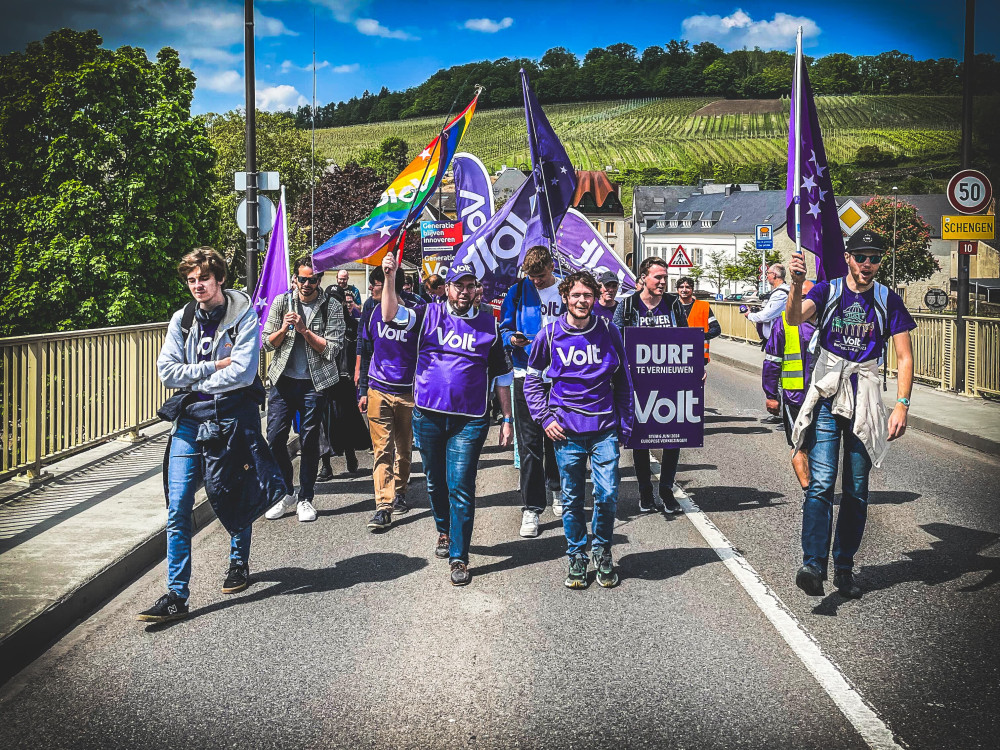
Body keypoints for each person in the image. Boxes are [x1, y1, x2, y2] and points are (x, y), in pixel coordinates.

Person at [142, 247, 285, 622]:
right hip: (190, 419)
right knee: (177, 508)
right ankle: (176, 595)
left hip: (234, 418)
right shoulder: (182, 319)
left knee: (233, 491)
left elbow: (241, 373)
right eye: (191, 280)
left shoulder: (244, 316)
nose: (197, 286)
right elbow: (166, 372)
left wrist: (198, 375)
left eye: (203, 278)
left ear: (219, 278)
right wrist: (210, 367)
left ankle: (238, 562)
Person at [786, 231, 915, 599]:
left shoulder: (886, 298)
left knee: (857, 491)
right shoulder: (825, 292)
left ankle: (844, 567)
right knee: (822, 484)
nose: (867, 264)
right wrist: (797, 285)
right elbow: (794, 319)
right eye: (861, 256)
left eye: (874, 257)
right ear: (848, 258)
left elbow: (904, 356)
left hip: (866, 398)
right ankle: (813, 564)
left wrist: (903, 403)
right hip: (829, 394)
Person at [381, 254, 513, 586]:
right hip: (428, 415)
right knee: (435, 483)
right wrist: (389, 277)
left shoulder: (489, 324)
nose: (465, 291)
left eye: (471, 286)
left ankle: (459, 556)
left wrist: (508, 418)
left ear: (477, 290)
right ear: (447, 288)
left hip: (469, 421)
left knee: (461, 486)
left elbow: (502, 375)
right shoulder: (427, 314)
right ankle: (444, 529)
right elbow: (390, 314)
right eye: (459, 285)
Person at [524, 271, 633, 589]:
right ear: (565, 298)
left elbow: (623, 380)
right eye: (576, 295)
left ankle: (602, 551)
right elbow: (532, 380)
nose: (582, 300)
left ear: (595, 296)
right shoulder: (550, 334)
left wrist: (626, 423)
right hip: (566, 432)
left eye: (588, 294)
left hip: (604, 429)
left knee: (608, 495)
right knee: (571, 499)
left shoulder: (608, 331)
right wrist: (545, 418)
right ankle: (576, 556)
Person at [261, 256, 345, 523]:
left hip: (314, 383)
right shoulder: (281, 303)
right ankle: (287, 492)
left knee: (309, 441)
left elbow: (332, 349)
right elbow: (266, 343)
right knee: (274, 438)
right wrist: (285, 329)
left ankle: (305, 497)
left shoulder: (330, 306)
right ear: (294, 279)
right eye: (302, 279)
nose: (307, 284)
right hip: (283, 381)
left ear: (319, 280)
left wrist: (304, 330)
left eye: (312, 279)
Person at [613, 256, 690, 515]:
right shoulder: (628, 306)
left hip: (670, 382)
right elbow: (615, 340)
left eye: (665, 277)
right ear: (643, 277)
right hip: (637, 384)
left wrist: (695, 370)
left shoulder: (673, 304)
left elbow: (685, 338)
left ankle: (666, 491)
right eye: (658, 277)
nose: (662, 282)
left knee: (674, 438)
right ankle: (645, 493)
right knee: (641, 441)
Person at [500, 245, 565, 538]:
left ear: (551, 267)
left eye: (540, 275)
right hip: (526, 374)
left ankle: (558, 489)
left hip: (560, 376)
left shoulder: (566, 289)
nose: (535, 281)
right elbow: (503, 328)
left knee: (558, 439)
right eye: (531, 276)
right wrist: (512, 339)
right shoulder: (518, 290)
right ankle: (532, 507)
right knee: (529, 444)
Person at [358, 265, 423, 532]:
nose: (374, 290)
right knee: (382, 449)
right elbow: (364, 350)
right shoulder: (371, 312)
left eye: (379, 285)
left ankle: (400, 490)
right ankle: (383, 506)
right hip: (378, 390)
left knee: (403, 448)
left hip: (407, 392)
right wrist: (362, 390)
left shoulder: (416, 312)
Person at [762, 280, 815, 490]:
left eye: (809, 297)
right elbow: (772, 360)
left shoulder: (828, 321)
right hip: (796, 396)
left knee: (820, 447)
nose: (804, 302)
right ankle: (809, 491)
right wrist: (771, 394)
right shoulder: (784, 321)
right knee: (799, 445)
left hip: (824, 397)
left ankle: (818, 488)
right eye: (800, 297)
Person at [317, 285, 370, 481]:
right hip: (322, 380)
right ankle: (326, 465)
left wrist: (357, 375)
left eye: (335, 299)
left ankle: (350, 454)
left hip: (344, 381)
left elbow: (359, 353)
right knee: (322, 424)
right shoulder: (319, 324)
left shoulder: (352, 325)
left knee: (345, 421)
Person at [675, 276, 721, 369]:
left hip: (698, 354)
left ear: (692, 290)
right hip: (675, 354)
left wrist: (700, 336)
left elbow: (716, 329)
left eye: (687, 287)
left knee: (696, 383)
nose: (684, 290)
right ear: (677, 290)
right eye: (681, 287)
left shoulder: (703, 306)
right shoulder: (671, 307)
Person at [742, 263, 789, 340]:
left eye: (768, 273)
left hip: (778, 340)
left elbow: (765, 316)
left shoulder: (780, 294)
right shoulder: (784, 291)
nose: (767, 276)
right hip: (779, 337)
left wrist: (749, 315)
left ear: (774, 275)